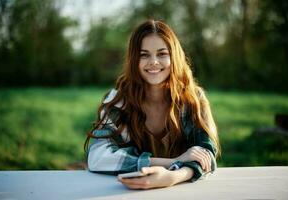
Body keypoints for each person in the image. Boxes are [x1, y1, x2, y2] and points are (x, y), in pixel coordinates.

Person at [84, 19, 220, 190]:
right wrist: (172, 162)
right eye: (144, 54)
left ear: (174, 57)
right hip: (124, 192)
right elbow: (97, 156)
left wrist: (172, 177)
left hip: (184, 191)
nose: (153, 61)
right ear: (134, 59)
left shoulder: (192, 99)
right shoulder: (119, 101)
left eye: (162, 54)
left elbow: (206, 154)